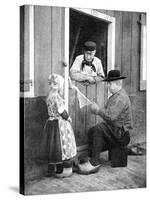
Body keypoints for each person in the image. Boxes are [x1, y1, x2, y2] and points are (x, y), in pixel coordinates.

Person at [78, 70, 133, 174]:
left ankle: (94, 163)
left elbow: (111, 117)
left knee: (99, 129)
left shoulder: (120, 98)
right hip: (115, 132)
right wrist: (97, 110)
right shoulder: (116, 96)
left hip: (121, 135)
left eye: (110, 83)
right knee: (93, 130)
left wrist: (98, 110)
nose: (108, 86)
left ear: (118, 84)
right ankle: (91, 155)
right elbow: (108, 114)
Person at [41, 73, 77, 178]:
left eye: (55, 84)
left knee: (52, 145)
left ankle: (51, 169)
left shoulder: (49, 96)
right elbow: (61, 110)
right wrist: (68, 117)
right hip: (58, 123)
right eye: (52, 83)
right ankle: (59, 169)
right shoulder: (56, 97)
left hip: (50, 122)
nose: (53, 86)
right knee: (60, 144)